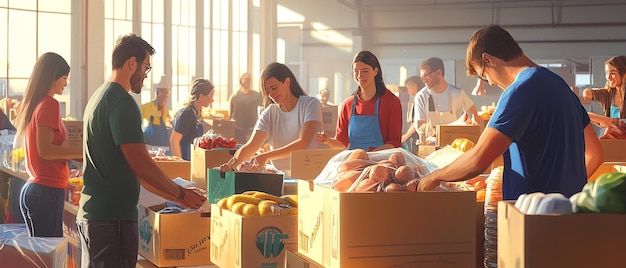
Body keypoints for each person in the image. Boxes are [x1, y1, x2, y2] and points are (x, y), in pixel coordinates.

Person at [417, 25, 603, 200]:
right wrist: (564, 194)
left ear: (488, 59)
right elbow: (595, 154)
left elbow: (478, 160)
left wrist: (434, 177)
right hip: (569, 214)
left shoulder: (520, 90)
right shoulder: (561, 86)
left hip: (530, 217)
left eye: (483, 75)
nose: (489, 82)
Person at [77, 34, 206, 267]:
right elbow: (141, 165)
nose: (146, 75)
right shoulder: (122, 103)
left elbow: (137, 173)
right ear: (131, 63)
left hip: (94, 218)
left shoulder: (98, 97)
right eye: (146, 67)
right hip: (112, 221)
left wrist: (180, 198)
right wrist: (180, 194)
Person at [12, 52, 82, 237]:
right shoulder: (49, 104)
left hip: (37, 189)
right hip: (46, 191)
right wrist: (81, 151)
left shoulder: (36, 104)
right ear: (53, 77)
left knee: (40, 255)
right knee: (47, 259)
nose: (66, 83)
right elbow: (46, 150)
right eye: (64, 78)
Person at [220, 62, 323, 175]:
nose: (271, 94)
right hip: (282, 177)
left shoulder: (311, 104)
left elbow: (303, 143)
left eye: (274, 88)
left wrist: (266, 156)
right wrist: (232, 165)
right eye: (267, 91)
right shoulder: (270, 113)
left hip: (310, 174)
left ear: (287, 82)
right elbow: (251, 146)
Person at [316, 50, 402, 151]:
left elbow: (394, 143)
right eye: (356, 71)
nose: (360, 75)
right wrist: (327, 140)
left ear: (375, 71)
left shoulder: (391, 101)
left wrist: (370, 156)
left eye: (365, 71)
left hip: (383, 160)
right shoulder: (348, 105)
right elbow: (342, 142)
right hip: (355, 160)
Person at [413, 57, 480, 142]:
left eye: (426, 75)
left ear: (439, 72)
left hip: (455, 145)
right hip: (431, 145)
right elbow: (420, 125)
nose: (424, 80)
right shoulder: (421, 96)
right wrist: (436, 133)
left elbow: (474, 115)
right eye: (422, 77)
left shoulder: (457, 93)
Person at [170, 78, 215, 160]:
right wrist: (180, 163)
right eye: (211, 95)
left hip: (194, 159)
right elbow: (174, 140)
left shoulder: (197, 113)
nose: (212, 100)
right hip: (185, 158)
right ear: (201, 96)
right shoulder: (186, 114)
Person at [582, 56, 626, 128]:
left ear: (624, 73)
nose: (608, 77)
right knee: (585, 114)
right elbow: (588, 93)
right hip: (612, 137)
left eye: (613, 73)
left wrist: (610, 121)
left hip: (622, 136)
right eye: (607, 73)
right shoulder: (608, 94)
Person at [141, 75, 172, 151]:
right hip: (149, 146)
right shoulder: (145, 107)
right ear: (157, 93)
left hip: (163, 147)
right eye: (164, 93)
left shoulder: (165, 109)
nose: (166, 96)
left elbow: (169, 122)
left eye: (167, 94)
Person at [229, 72, 262, 143]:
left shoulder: (256, 96)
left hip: (252, 128)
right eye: (246, 79)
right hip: (239, 129)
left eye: (249, 80)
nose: (248, 82)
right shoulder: (235, 97)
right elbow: (231, 114)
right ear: (241, 81)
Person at [401, 75, 424, 151]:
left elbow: (417, 122)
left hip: (417, 138)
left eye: (408, 87)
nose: (407, 90)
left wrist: (406, 135)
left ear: (415, 86)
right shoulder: (414, 100)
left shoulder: (420, 99)